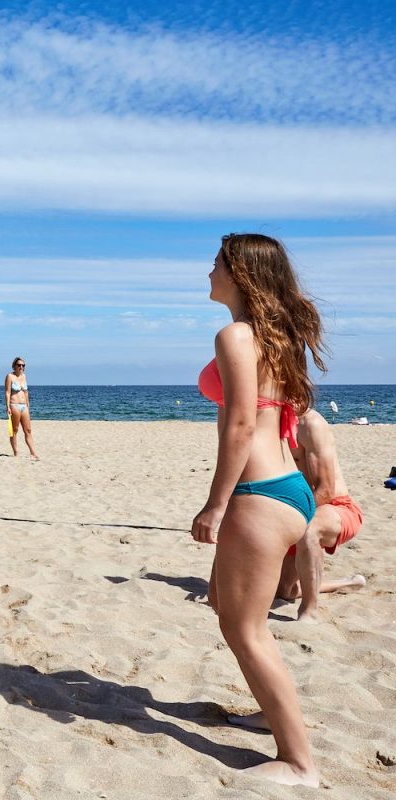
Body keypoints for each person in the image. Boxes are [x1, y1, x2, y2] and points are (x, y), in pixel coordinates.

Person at [190, 233, 326, 787]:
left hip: (259, 494)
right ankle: (272, 713)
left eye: (216, 262)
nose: (208, 271)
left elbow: (242, 426)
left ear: (241, 273)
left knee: (244, 630)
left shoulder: (236, 336)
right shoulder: (276, 339)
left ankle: (298, 762)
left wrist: (215, 505)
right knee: (225, 600)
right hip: (289, 488)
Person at [273, 408, 365, 620]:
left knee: (309, 530)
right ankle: (348, 583)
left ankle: (309, 611)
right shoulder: (270, 423)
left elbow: (324, 492)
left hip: (337, 509)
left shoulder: (309, 424)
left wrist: (288, 521)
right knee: (285, 591)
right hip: (297, 510)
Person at [4, 358, 38, 458]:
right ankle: (16, 452)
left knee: (28, 430)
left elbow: (26, 392)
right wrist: (7, 407)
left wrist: (28, 405)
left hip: (24, 407)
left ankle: (33, 452)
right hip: (14, 405)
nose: (21, 367)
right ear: (14, 366)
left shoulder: (24, 376)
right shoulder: (10, 376)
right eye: (19, 365)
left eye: (23, 365)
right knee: (14, 430)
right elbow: (7, 392)